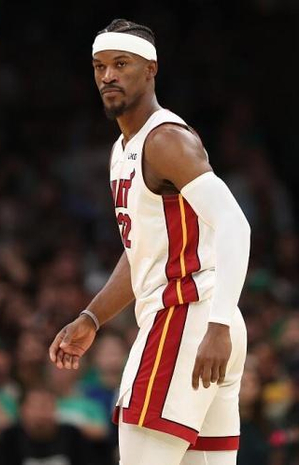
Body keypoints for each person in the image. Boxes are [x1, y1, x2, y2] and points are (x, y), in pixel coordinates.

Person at [48, 18, 251, 465]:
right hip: (203, 322)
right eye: (100, 66)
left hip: (186, 316)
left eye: (121, 64)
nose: (108, 76)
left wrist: (217, 324)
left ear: (150, 69)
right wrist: (92, 317)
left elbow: (235, 224)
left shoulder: (165, 140)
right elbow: (140, 250)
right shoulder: (124, 148)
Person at [0, 386, 88, 465]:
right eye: (36, 407)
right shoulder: (10, 438)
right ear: (22, 410)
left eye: (47, 406)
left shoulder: (72, 435)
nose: (41, 413)